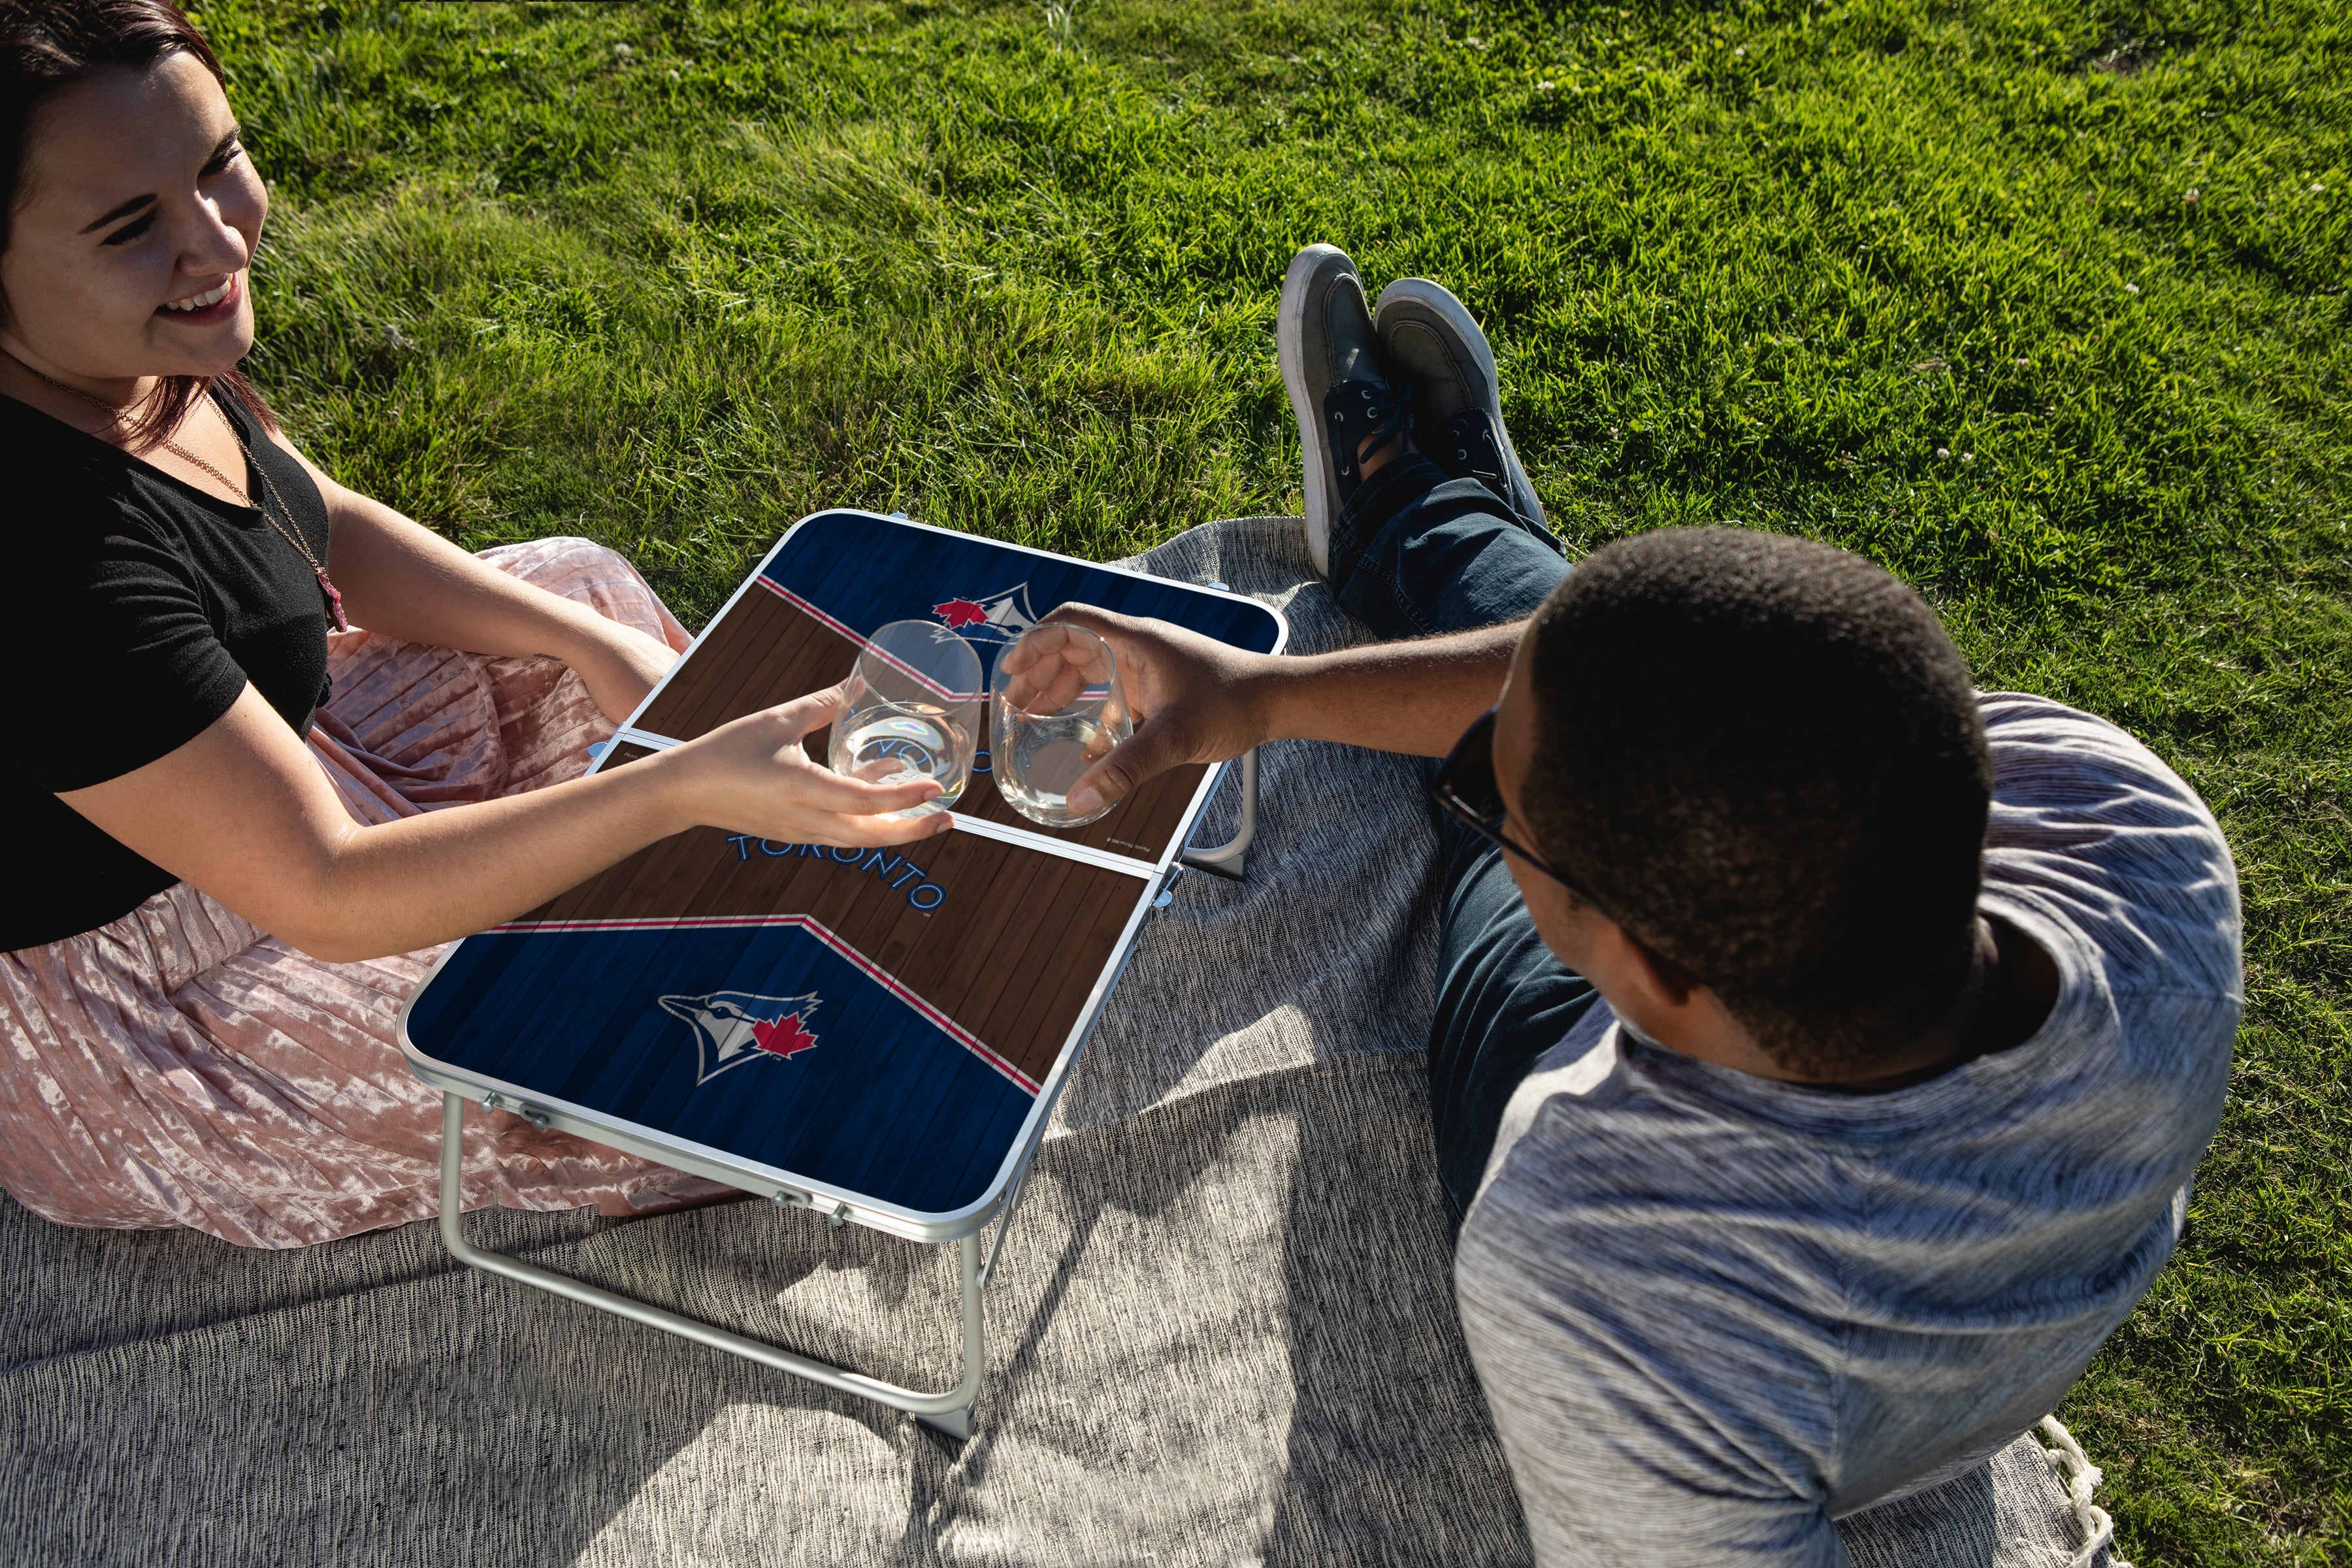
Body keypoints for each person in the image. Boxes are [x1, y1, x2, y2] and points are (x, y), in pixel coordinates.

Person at [1045, 243, 2240, 1564]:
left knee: (1528, 784)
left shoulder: (1604, 1260)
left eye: (1497, 811)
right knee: (1619, 670)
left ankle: (1428, 520)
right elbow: (1701, 693)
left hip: (1576, 1075)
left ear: (1646, 971)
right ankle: (1445, 526)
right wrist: (1257, 697)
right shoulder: (2134, 827)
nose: (1480, 806)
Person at [0, 0, 948, 1247]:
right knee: (733, 1052)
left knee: (575, 589)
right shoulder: (41, 554)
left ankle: (730, 851)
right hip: (165, 1000)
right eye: (133, 225)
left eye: (218, 161)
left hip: (283, 772)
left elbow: (312, 521)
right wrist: (674, 792)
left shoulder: (121, 357)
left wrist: (591, 647)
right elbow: (327, 891)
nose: (217, 236)